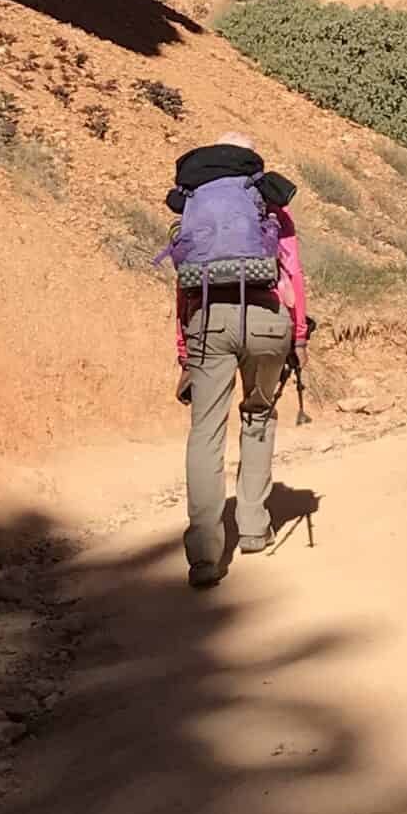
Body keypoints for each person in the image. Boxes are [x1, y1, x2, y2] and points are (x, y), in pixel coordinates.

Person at [162, 131, 309, 589]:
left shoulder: (194, 207)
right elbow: (293, 274)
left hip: (209, 319)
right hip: (266, 319)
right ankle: (251, 527)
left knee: (205, 433)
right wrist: (299, 337)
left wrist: (185, 350)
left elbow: (184, 285)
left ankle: (205, 553)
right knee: (259, 417)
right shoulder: (268, 205)